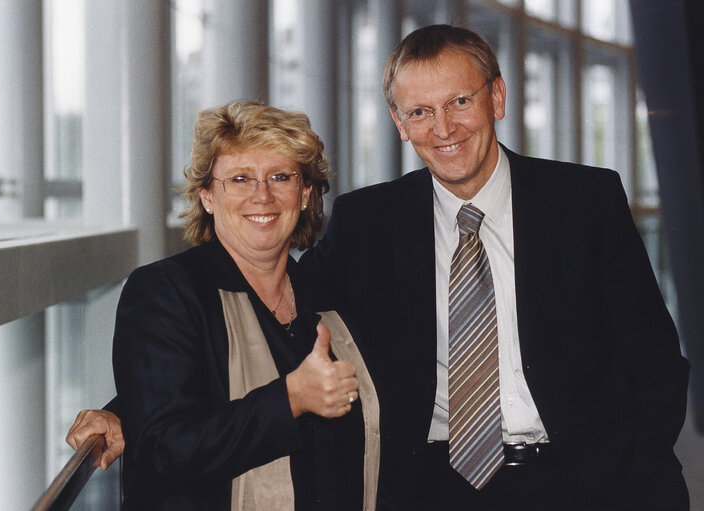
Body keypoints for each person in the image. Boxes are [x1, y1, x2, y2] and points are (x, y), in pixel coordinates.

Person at [69, 25, 689, 510]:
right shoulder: (370, 222)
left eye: (459, 101)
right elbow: (279, 315)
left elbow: (656, 359)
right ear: (398, 122)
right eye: (419, 111)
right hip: (427, 488)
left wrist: (630, 475)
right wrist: (131, 408)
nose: (442, 128)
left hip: (579, 485)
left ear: (496, 97)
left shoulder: (585, 202)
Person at [68, 99, 381, 510]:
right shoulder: (165, 293)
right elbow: (162, 451)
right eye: (239, 179)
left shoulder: (329, 297)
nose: (262, 195)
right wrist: (289, 399)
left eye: (280, 177)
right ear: (208, 197)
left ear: (304, 194)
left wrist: (124, 409)